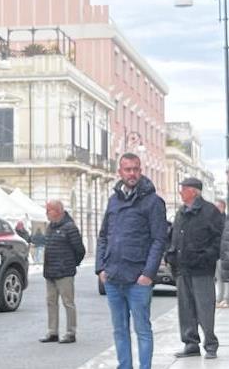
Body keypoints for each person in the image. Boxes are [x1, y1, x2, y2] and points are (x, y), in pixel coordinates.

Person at [96, 152, 167, 369]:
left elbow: (159, 240)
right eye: (128, 169)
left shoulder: (153, 202)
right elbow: (103, 235)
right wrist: (101, 268)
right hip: (113, 278)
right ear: (120, 172)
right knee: (119, 330)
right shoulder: (113, 200)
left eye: (136, 169)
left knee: (143, 330)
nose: (132, 173)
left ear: (140, 170)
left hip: (138, 280)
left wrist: (148, 274)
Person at [165, 178, 223, 360]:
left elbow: (218, 240)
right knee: (186, 309)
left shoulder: (210, 211)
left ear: (194, 191)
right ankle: (191, 344)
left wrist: (205, 257)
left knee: (205, 308)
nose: (180, 192)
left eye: (183, 189)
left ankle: (211, 345)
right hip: (183, 269)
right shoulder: (181, 212)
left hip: (202, 269)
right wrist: (170, 255)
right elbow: (174, 235)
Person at [39, 200, 85, 344]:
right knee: (51, 302)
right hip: (50, 271)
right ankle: (52, 332)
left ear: (58, 211)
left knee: (68, 302)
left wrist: (71, 264)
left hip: (65, 272)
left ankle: (71, 332)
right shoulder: (50, 227)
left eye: (49, 210)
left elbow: (80, 250)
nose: (46, 213)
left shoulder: (70, 227)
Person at [214, 199, 229, 308]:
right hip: (217, 253)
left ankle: (226, 299)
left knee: (226, 278)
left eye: (218, 206)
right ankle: (219, 298)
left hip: (225, 254)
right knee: (219, 277)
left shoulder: (225, 220)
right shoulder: (213, 220)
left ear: (223, 207)